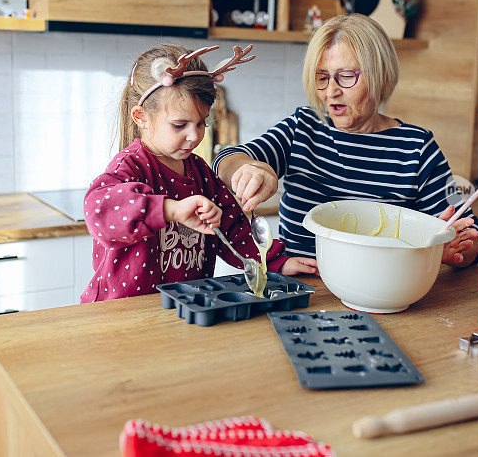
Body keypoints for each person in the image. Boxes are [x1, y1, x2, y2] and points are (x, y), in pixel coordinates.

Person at [213, 14, 478, 267]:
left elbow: (471, 229)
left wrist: (455, 250)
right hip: (303, 292)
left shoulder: (417, 148)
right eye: (322, 78)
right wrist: (250, 169)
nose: (331, 91)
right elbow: (227, 159)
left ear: (379, 76)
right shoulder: (303, 128)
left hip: (382, 293)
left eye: (346, 77)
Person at [80, 44, 317, 303]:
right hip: (124, 314)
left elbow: (233, 228)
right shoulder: (131, 166)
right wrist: (172, 210)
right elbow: (99, 211)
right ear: (141, 117)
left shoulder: (200, 172)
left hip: (181, 308)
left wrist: (276, 261)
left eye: (201, 122)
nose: (194, 136)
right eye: (180, 125)